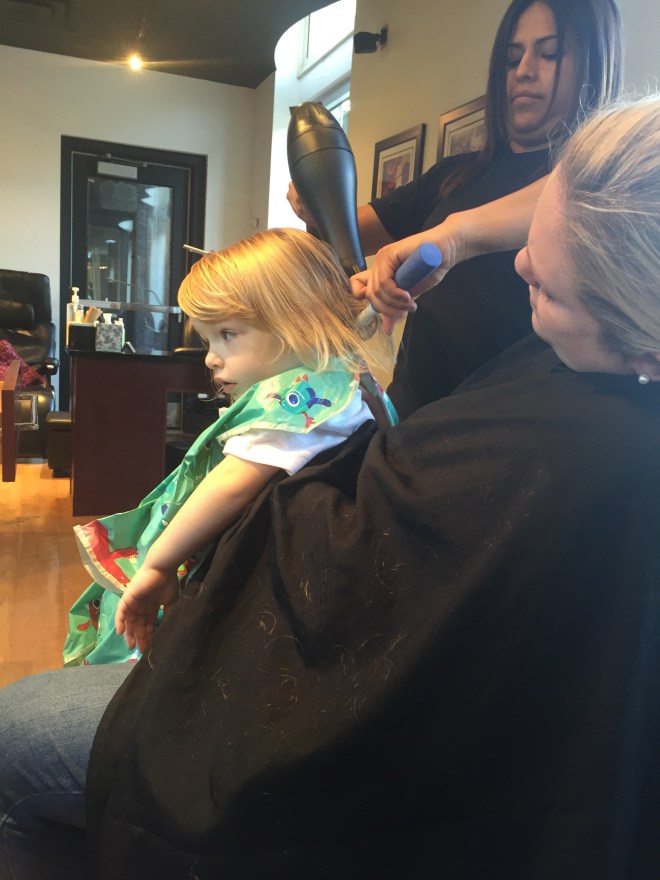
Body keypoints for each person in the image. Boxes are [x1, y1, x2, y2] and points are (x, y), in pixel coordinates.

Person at [4, 97, 660, 878]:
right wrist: (455, 237)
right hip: (319, 648)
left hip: (341, 740)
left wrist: (195, 552)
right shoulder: (578, 369)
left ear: (636, 329)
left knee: (13, 736)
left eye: (549, 286)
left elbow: (381, 606)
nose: (519, 265)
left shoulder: (602, 454)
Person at [63, 227, 394, 666]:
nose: (210, 357)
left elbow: (232, 484)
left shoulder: (301, 405)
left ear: (297, 323)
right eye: (208, 339)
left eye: (227, 334)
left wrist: (159, 564)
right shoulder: (341, 384)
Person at [289, 0, 623, 418]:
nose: (524, 71)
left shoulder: (608, 181)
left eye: (550, 53)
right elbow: (345, 234)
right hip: (412, 416)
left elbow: (575, 190)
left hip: (512, 426)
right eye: (512, 58)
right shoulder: (454, 175)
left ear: (594, 61)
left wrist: (453, 238)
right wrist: (316, 204)